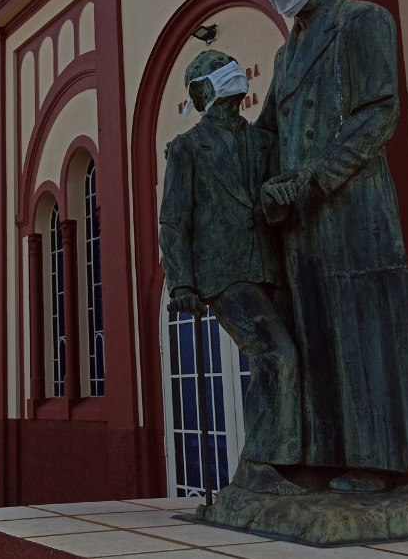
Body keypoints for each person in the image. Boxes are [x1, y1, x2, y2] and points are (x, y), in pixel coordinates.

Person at [257, 0, 408, 493]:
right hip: (302, 217)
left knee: (372, 325)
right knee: (318, 331)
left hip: (353, 202)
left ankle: (400, 466)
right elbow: (269, 131)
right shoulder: (285, 54)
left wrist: (318, 174)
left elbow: (379, 111)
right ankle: (334, 456)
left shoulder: (364, 21)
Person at [159, 49, 303, 496]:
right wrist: (181, 281)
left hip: (270, 266)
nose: (235, 73)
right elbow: (173, 220)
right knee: (277, 357)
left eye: (235, 66)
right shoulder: (187, 149)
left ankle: (292, 462)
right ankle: (260, 466)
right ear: (203, 91)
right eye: (222, 70)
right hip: (223, 273)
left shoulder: (264, 143)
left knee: (289, 360)